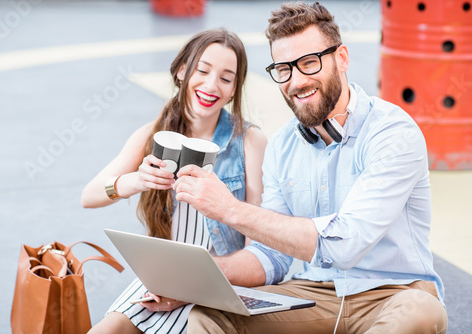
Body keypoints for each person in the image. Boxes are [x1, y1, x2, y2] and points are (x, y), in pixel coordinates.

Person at [173, 2, 448, 333]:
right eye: (284, 69)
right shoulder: (282, 147)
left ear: (342, 58)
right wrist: (191, 279)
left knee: (421, 311)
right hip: (311, 295)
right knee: (209, 314)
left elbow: (345, 245)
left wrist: (230, 210)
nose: (297, 81)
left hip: (393, 294)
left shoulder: (392, 133)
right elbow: (270, 257)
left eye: (308, 62)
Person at [81, 28, 268, 334]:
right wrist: (136, 180)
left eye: (225, 77)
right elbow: (88, 196)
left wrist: (194, 287)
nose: (211, 85)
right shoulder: (152, 134)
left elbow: (256, 244)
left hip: (218, 287)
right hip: (163, 283)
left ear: (235, 89)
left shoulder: (249, 141)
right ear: (182, 71)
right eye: (202, 70)